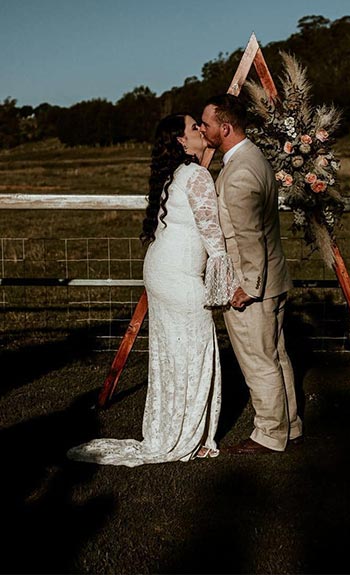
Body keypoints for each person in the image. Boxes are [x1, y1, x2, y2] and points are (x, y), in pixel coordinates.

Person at [67, 113, 238, 466]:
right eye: (194, 127)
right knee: (196, 351)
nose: (201, 130)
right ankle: (191, 436)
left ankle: (176, 427)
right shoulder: (197, 175)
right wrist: (227, 283)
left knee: (173, 354)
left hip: (160, 271)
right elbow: (212, 235)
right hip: (178, 276)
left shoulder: (174, 175)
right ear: (180, 140)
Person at [200, 94, 303, 455]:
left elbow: (249, 236)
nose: (202, 129)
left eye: (207, 124)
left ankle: (269, 434)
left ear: (224, 128)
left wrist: (247, 287)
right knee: (276, 355)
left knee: (258, 362)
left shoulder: (240, 172)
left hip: (254, 285)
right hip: (274, 278)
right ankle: (290, 427)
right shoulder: (253, 156)